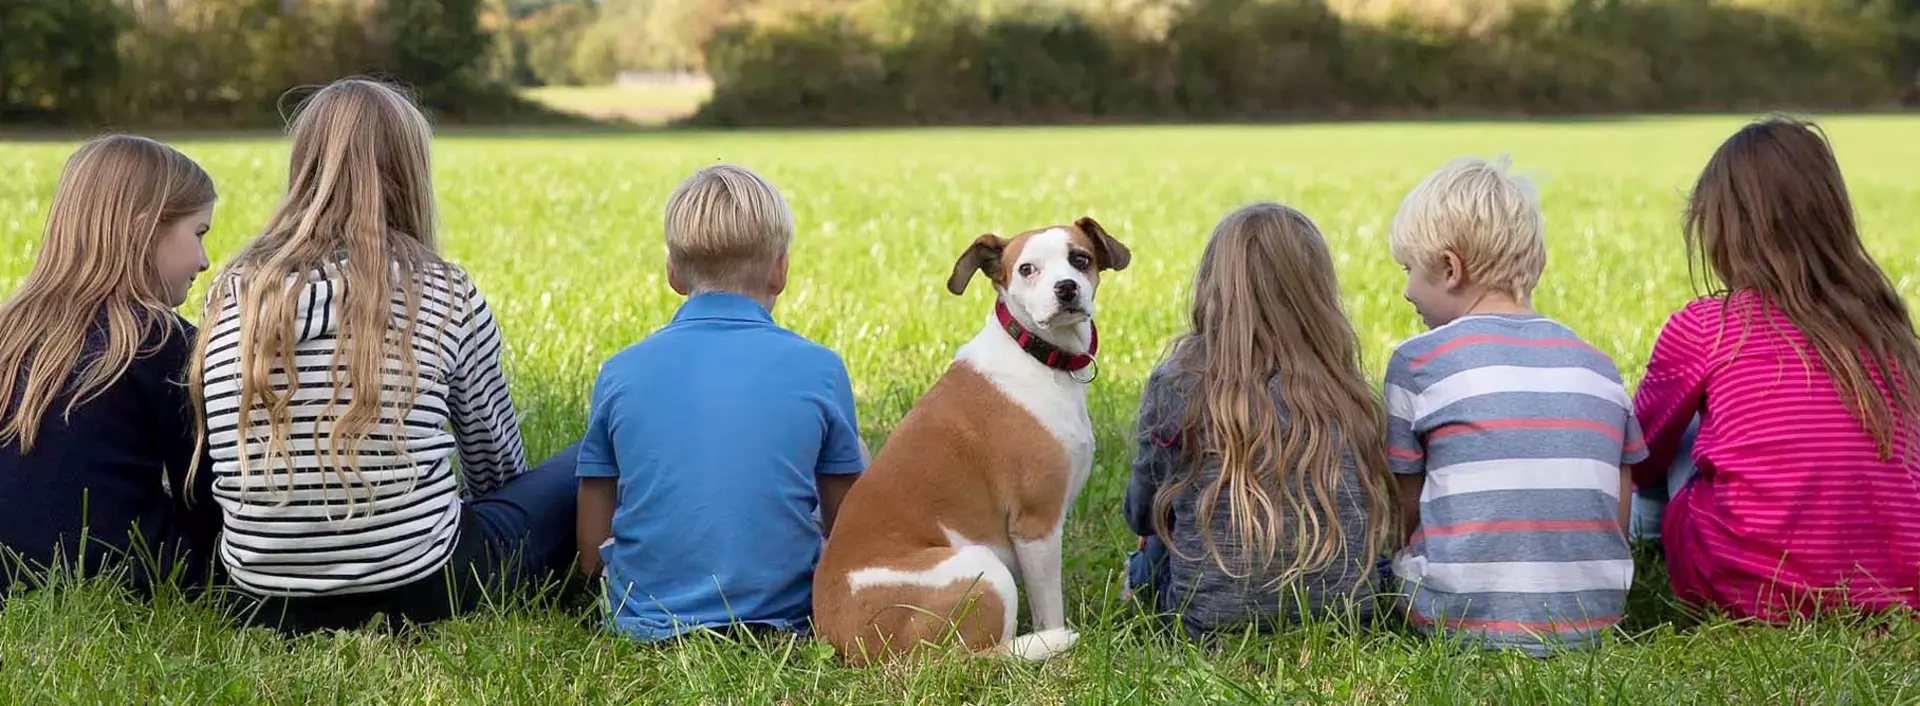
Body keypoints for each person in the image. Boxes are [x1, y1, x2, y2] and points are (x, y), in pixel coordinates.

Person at [185, 78, 578, 634]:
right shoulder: (444, 292)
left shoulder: (233, 291)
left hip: (263, 601)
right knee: (589, 454)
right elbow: (496, 470)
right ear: (409, 172)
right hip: (426, 587)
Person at [1630, 116, 1920, 621]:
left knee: (1684, 430)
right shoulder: (1886, 328)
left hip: (1745, 588)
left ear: (1722, 229)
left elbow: (1640, 456)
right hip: (1899, 590)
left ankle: (1641, 534)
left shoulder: (1710, 325)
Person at [575, 163, 867, 641]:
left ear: (673, 272)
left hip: (643, 619)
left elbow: (592, 545)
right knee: (852, 452)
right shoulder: (821, 367)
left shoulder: (620, 370)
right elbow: (845, 525)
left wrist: (596, 577)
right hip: (788, 617)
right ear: (781, 271)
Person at [1383, 155, 1645, 656]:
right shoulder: (1597, 366)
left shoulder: (1417, 362)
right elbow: (1621, 485)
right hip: (1593, 617)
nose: (1405, 290)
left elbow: (1404, 505)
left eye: (1409, 270)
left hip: (1455, 620)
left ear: (1449, 268)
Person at [1120, 202, 1395, 641]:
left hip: (1203, 620)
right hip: (1346, 614)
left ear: (1213, 286)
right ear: (1317, 292)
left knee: (1152, 549)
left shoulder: (1179, 380)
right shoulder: (1343, 383)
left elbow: (1141, 510)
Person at [0, 134, 221, 602]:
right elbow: (204, 493)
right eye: (198, 234)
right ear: (145, 231)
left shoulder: (10, 329)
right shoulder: (158, 338)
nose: (204, 261)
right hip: (129, 575)